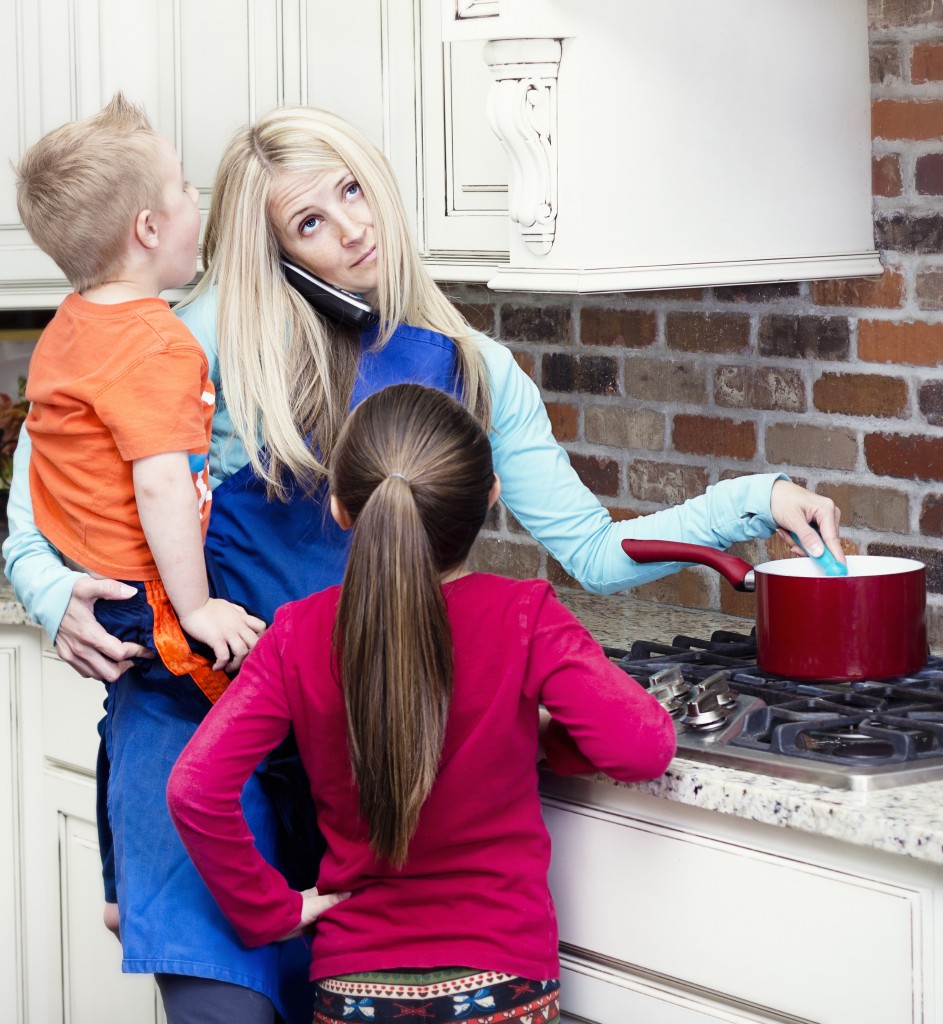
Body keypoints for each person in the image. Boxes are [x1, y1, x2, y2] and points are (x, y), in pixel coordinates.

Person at [3, 104, 844, 1021]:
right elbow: (33, 516)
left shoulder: (470, 366)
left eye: (355, 190)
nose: (356, 229)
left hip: (368, 748)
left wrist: (751, 503)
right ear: (268, 246)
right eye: (311, 221)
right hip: (199, 732)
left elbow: (592, 551)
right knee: (224, 1008)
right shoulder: (175, 341)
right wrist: (51, 594)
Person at [167, 382, 678, 1024]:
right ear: (491, 498)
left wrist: (270, 909)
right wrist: (547, 735)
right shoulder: (525, 616)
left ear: (341, 509)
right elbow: (642, 747)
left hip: (355, 989)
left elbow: (194, 787)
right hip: (503, 983)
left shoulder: (298, 634)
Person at [12, 91, 266, 976]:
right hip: (149, 594)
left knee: (125, 725)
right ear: (152, 227)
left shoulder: (74, 325)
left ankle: (121, 888)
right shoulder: (158, 345)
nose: (202, 203)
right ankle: (168, 898)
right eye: (190, 188)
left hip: (97, 576)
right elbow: (161, 481)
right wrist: (197, 610)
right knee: (232, 726)